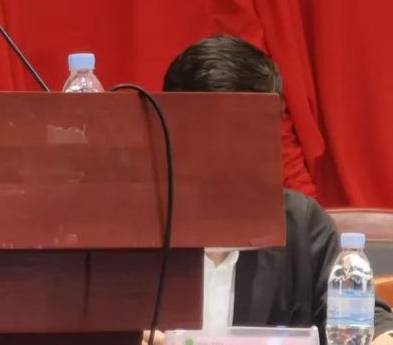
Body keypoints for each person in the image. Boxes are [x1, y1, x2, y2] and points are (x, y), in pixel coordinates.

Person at [151, 34, 393, 343]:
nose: (223, 151)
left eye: (240, 131)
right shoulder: (132, 226)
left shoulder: (301, 223)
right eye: (207, 130)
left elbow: (369, 321)